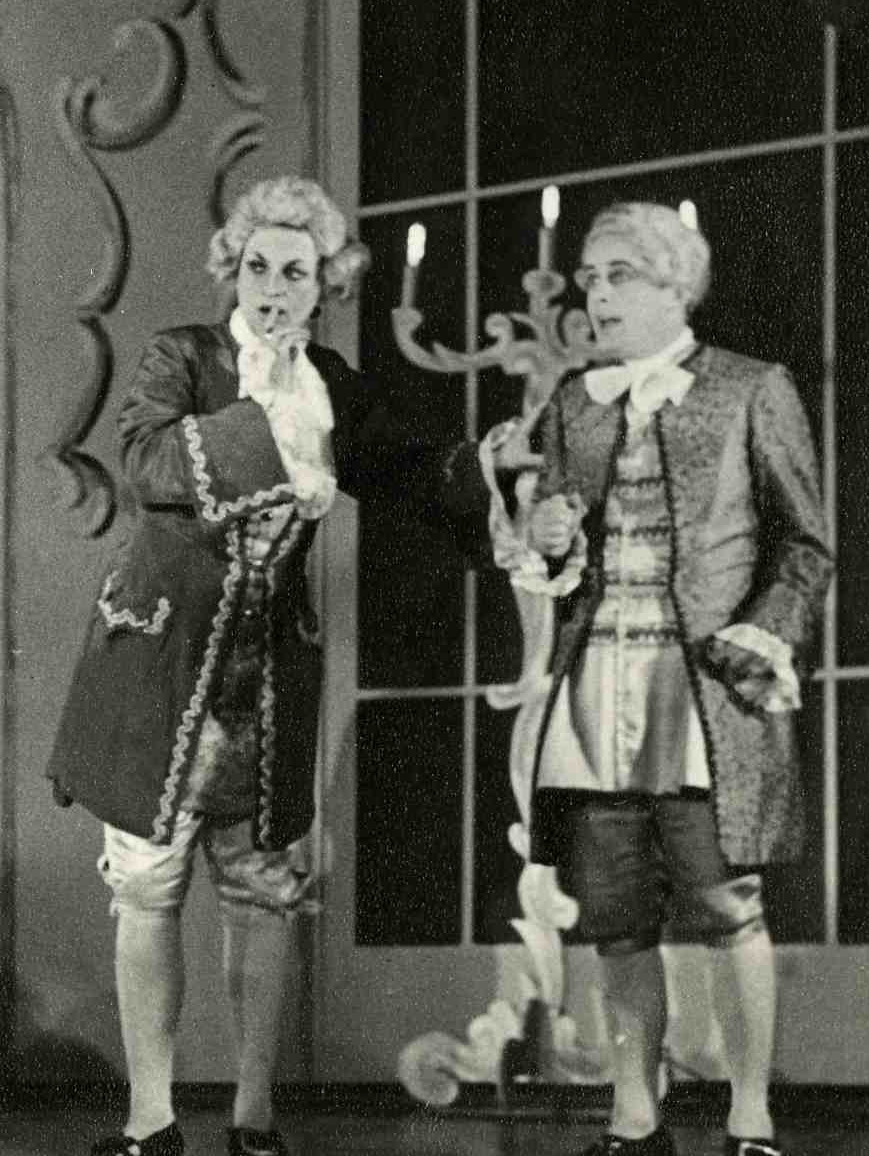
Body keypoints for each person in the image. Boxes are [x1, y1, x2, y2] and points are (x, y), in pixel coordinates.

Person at [43, 175, 498, 1156]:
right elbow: (147, 458)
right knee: (146, 888)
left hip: (264, 681)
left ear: (325, 283)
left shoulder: (329, 380)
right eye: (258, 267)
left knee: (262, 892)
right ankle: (150, 1120)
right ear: (233, 270)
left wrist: (483, 473)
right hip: (161, 664)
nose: (274, 288)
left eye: (296, 272)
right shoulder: (186, 355)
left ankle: (253, 1116)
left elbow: (406, 465)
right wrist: (270, 435)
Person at [497, 198, 828, 1156]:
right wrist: (547, 541)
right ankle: (632, 1118)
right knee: (615, 918)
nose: (594, 294)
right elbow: (557, 557)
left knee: (726, 905)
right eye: (587, 278)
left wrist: (766, 633)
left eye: (618, 275)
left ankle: (750, 1119)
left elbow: (803, 546)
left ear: (675, 284)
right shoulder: (573, 402)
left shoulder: (750, 387)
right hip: (597, 691)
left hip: (702, 697)